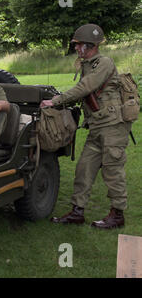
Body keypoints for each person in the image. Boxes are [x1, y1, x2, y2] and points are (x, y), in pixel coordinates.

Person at [40, 23, 131, 229]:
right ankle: (77, 212)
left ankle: (117, 215)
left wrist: (56, 101)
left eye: (78, 45)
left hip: (112, 127)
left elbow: (86, 87)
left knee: (113, 171)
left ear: (89, 45)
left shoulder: (104, 63)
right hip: (96, 126)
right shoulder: (87, 64)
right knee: (83, 170)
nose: (76, 49)